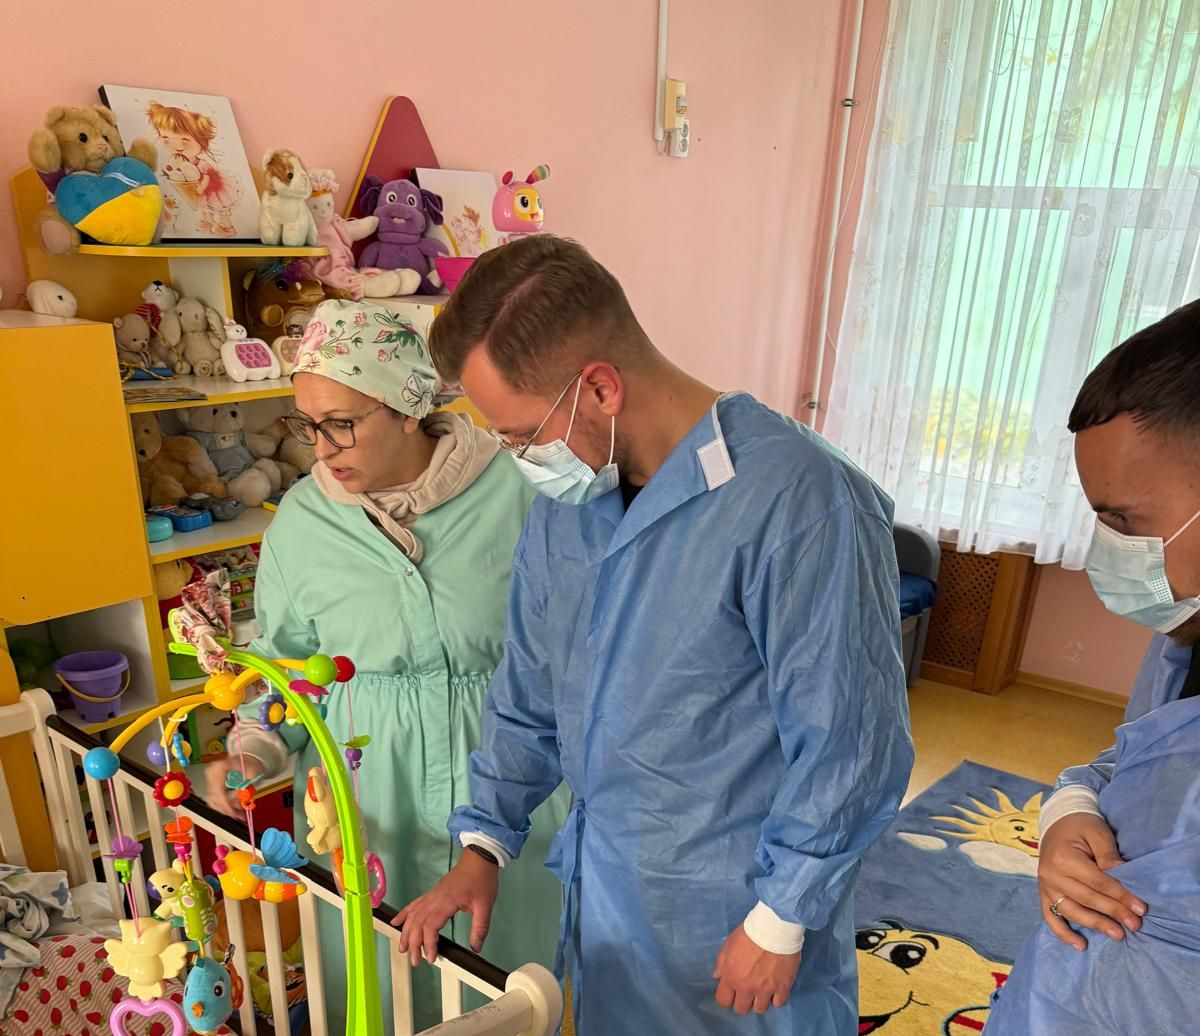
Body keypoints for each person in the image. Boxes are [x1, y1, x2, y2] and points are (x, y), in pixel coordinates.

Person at [394, 235, 914, 1034]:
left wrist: (782, 916)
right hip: (611, 896)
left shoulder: (800, 500)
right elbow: (529, 691)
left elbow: (852, 739)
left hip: (739, 907)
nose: (517, 458)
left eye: (521, 436)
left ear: (600, 388)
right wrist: (483, 845)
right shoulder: (569, 507)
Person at [202, 299, 568, 1032]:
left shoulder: (520, 493)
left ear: (407, 407)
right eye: (308, 424)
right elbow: (285, 668)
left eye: (341, 422)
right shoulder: (303, 523)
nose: (321, 448)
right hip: (367, 798)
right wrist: (253, 749)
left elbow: (573, 649)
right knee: (376, 990)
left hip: (507, 782)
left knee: (517, 990)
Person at [985, 301, 1200, 1034]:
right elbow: (1135, 763)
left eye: (1124, 520)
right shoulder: (1185, 631)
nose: (1106, 544)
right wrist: (1068, 814)